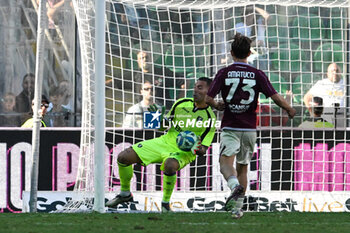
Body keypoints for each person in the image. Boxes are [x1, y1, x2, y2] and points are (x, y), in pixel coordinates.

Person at [205, 33, 295, 219]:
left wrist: (217, 105)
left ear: (231, 53)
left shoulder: (224, 72)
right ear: (249, 53)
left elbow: (208, 99)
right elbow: (275, 96)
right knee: (243, 167)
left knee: (225, 164)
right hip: (250, 129)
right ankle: (237, 208)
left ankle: (233, 187)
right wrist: (289, 108)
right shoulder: (257, 74)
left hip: (231, 126)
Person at [106, 77, 216, 212]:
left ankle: (165, 203)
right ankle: (125, 194)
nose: (194, 90)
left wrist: (194, 146)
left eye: (200, 88)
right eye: (194, 87)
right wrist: (159, 118)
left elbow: (204, 149)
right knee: (123, 157)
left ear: (209, 91)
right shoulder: (181, 103)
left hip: (184, 152)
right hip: (164, 141)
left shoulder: (210, 118)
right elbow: (164, 128)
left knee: (170, 165)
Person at [234, 5, 270, 69]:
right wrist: (254, 44)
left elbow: (268, 17)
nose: (249, 14)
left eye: (251, 12)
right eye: (247, 12)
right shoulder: (238, 26)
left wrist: (254, 8)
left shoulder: (260, 24)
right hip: (247, 57)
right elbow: (239, 44)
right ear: (243, 15)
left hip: (261, 55)